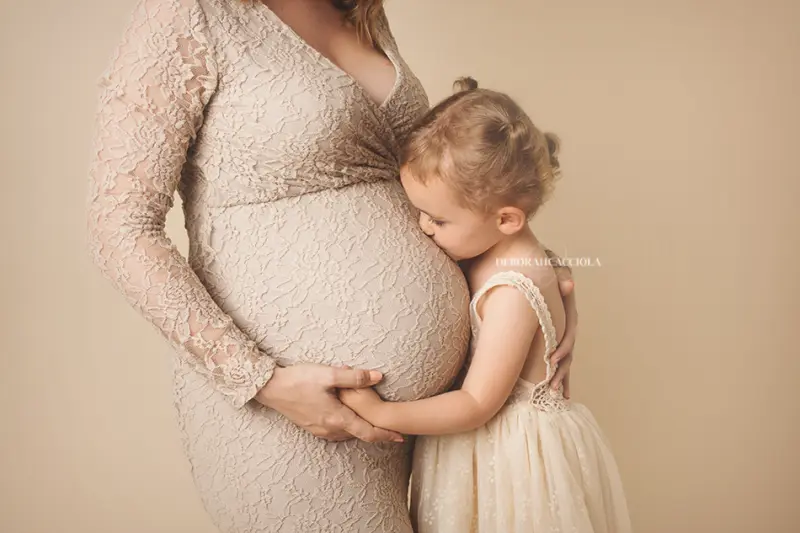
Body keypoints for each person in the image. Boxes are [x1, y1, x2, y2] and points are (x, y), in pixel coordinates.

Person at [86, 0, 578, 530]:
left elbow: (456, 185)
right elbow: (120, 229)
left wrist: (535, 284)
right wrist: (262, 380)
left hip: (420, 427)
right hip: (289, 414)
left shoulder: (359, 9)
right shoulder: (188, 13)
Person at [341, 77, 630, 533]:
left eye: (438, 219)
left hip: (508, 465)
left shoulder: (513, 290)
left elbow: (477, 402)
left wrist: (382, 414)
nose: (424, 227)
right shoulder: (500, 248)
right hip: (485, 452)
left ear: (507, 219)